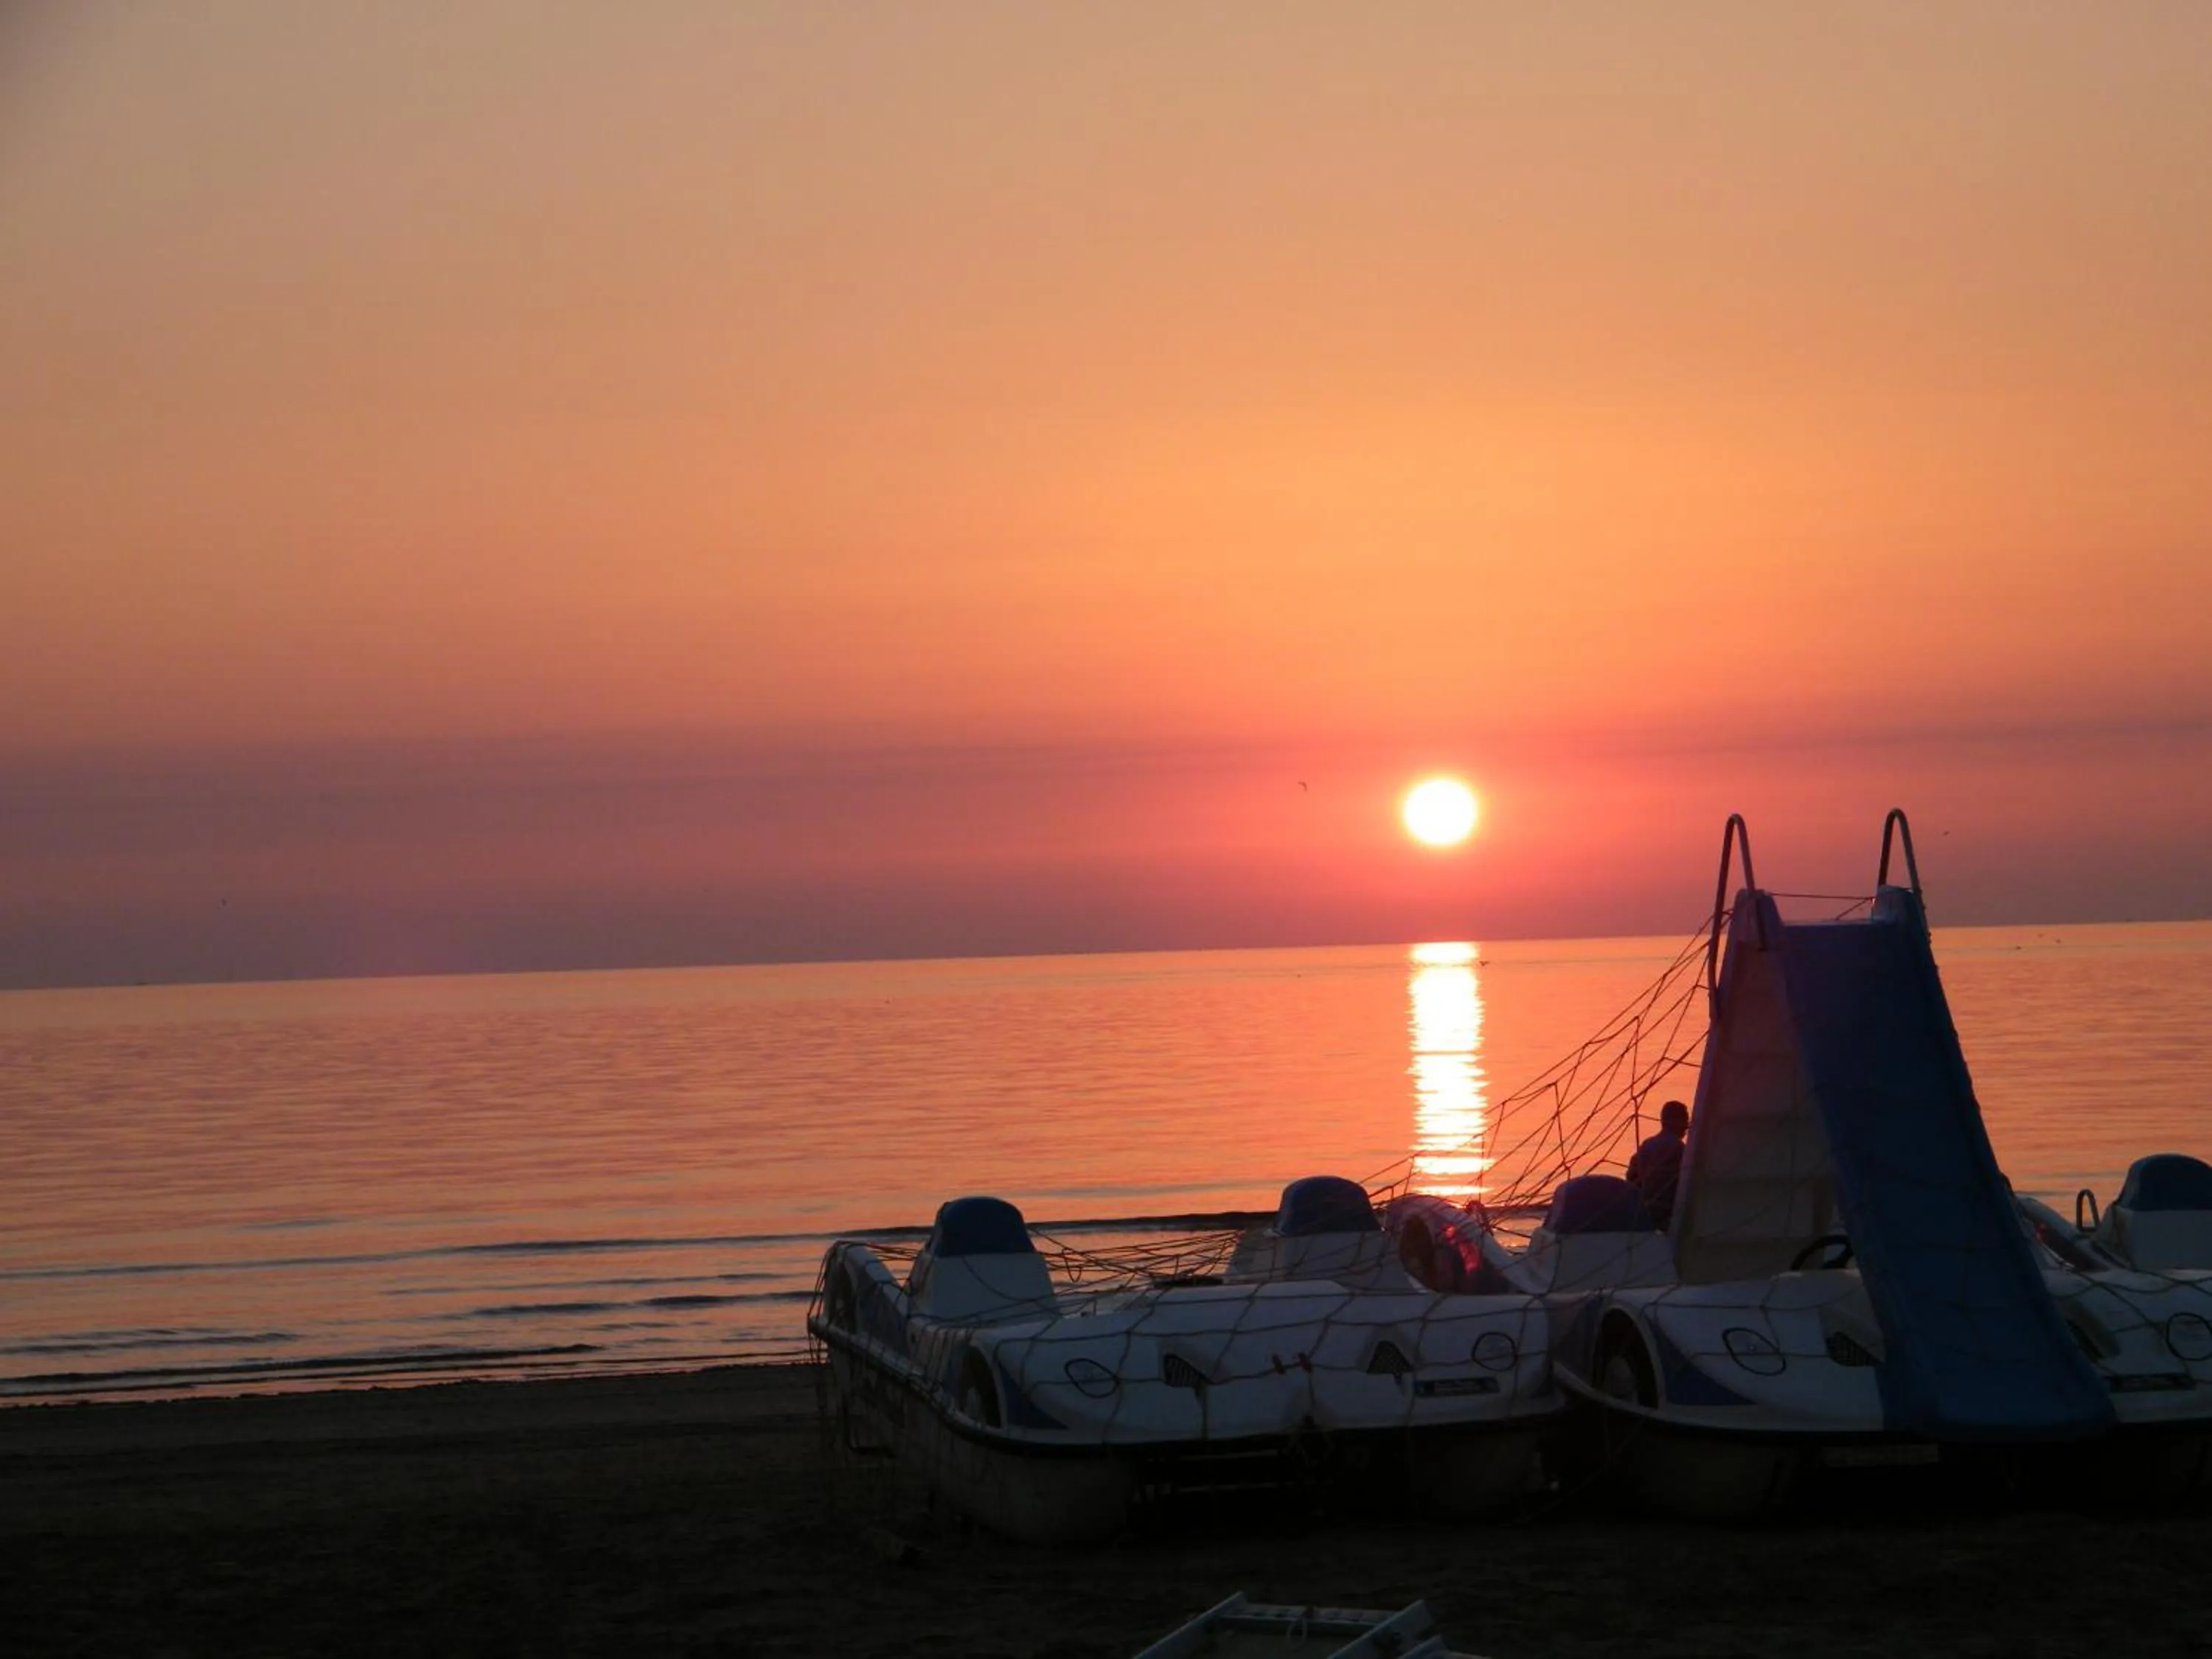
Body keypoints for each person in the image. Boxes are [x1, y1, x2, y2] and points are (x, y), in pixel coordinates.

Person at [1627, 1099, 1689, 1228]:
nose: (1687, 1126)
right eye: (1686, 1120)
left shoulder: (1646, 1145)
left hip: (1645, 1212)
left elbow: (1631, 1176)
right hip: (1667, 1215)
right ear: (1678, 1121)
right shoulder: (1681, 1149)